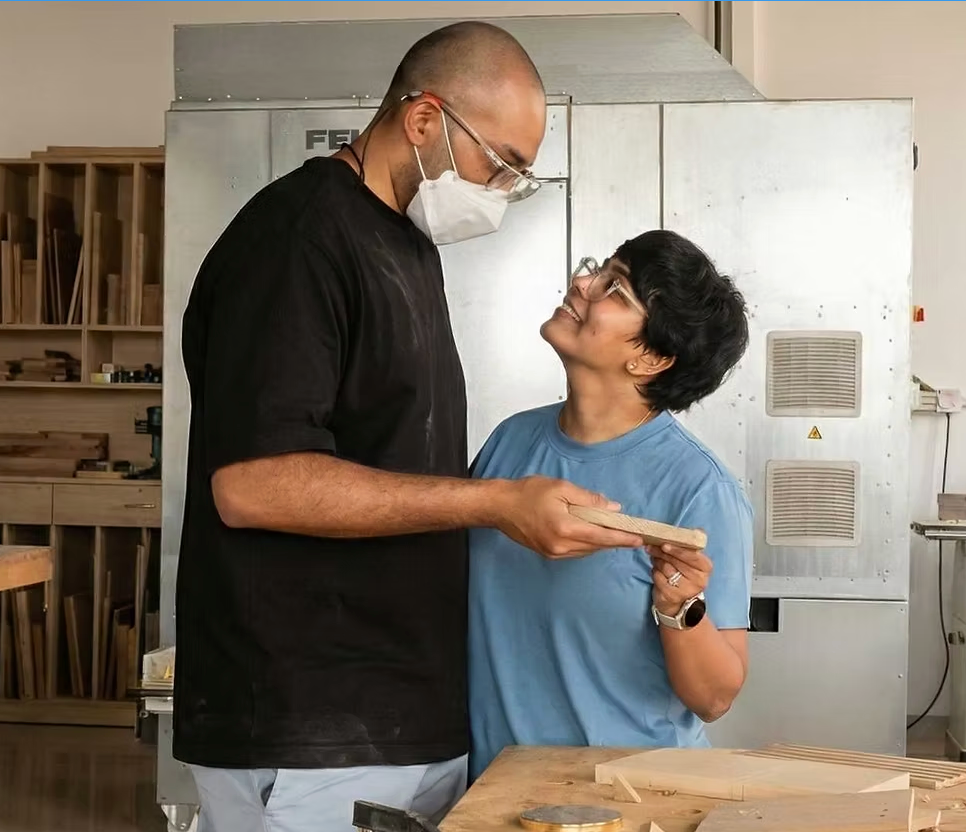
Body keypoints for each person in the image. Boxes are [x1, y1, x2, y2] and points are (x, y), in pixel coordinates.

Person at [173, 21, 645, 832]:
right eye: (501, 165)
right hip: (307, 723)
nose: (502, 190)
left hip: (398, 715)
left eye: (519, 177)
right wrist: (493, 504)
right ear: (424, 120)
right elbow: (252, 485)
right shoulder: (296, 240)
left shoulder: (405, 242)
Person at [467, 230, 755, 781]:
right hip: (493, 793)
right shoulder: (509, 442)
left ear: (649, 358)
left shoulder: (698, 486)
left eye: (615, 290)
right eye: (598, 270)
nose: (582, 283)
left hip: (628, 798)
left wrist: (681, 608)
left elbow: (715, 698)